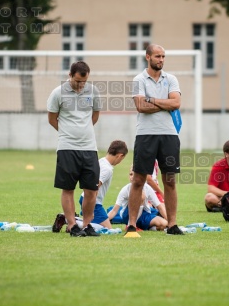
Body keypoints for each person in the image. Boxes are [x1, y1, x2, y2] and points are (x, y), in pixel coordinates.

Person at [126, 44, 182, 237]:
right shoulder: (138, 79)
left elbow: (176, 103)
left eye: (163, 56)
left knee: (170, 180)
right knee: (139, 180)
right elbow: (141, 106)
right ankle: (131, 225)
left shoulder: (171, 79)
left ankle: (172, 225)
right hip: (145, 136)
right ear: (148, 57)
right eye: (158, 56)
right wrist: (163, 103)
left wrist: (153, 100)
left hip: (169, 136)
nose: (161, 60)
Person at [47, 61, 102, 237]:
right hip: (67, 148)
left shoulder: (93, 91)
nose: (80, 85)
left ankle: (86, 225)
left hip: (89, 148)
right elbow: (52, 118)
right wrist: (68, 134)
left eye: (84, 82)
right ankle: (72, 225)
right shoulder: (57, 93)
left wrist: (83, 132)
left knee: (91, 190)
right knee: (68, 188)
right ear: (70, 75)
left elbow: (95, 115)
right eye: (78, 81)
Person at [53, 140, 128, 232]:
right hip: (94, 202)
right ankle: (69, 220)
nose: (120, 161)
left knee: (94, 223)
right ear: (120, 155)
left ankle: (72, 220)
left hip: (86, 197)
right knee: (107, 229)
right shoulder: (107, 169)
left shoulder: (100, 161)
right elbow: (95, 187)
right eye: (122, 159)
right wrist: (91, 208)